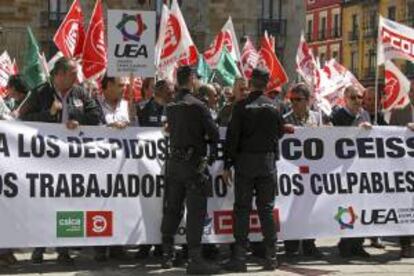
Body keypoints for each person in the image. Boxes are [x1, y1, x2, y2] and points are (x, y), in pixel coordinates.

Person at [22, 57, 101, 264]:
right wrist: (50, 113)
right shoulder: (40, 93)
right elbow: (23, 120)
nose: (78, 77)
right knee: (44, 203)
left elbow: (96, 116)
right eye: (73, 73)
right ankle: (39, 248)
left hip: (72, 160)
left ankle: (63, 249)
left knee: (67, 204)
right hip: (44, 160)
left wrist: (79, 119)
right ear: (59, 75)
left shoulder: (81, 93)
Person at [222, 68, 284, 272]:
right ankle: (271, 256)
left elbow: (232, 138)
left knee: (242, 209)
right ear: (266, 84)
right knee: (266, 209)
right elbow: (280, 133)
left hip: (245, 162)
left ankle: (240, 257)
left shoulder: (241, 106)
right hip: (266, 162)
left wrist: (227, 164)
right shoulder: (274, 106)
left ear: (251, 82)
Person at [160, 66, 220, 274]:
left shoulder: (171, 104)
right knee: (195, 212)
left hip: (174, 163)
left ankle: (166, 254)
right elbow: (214, 134)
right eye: (195, 78)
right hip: (193, 164)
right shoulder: (198, 105)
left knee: (173, 209)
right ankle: (195, 259)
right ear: (192, 79)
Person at [282, 83, 324, 258]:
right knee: (292, 208)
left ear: (308, 100)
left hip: (312, 172)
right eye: (292, 100)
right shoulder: (285, 119)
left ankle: (309, 244)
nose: (294, 103)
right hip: (293, 173)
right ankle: (291, 245)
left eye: (298, 99)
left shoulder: (317, 118)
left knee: (309, 208)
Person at [330, 85, 372, 258]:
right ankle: (345, 242)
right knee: (346, 207)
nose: (357, 101)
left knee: (361, 206)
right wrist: (356, 128)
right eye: (353, 97)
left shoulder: (365, 114)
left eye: (359, 97)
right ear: (345, 99)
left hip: (361, 167)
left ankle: (358, 244)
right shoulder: (338, 116)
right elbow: (335, 139)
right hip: (343, 168)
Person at [136, 79, 174, 259]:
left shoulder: (173, 109)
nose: (172, 92)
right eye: (169, 90)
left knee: (164, 206)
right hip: (147, 167)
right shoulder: (143, 108)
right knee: (147, 205)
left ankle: (160, 245)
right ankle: (144, 245)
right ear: (159, 91)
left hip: (167, 165)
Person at [389, 80, 414, 258]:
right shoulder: (397, 113)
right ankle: (405, 245)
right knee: (405, 207)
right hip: (404, 171)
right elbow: (386, 138)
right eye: (412, 91)